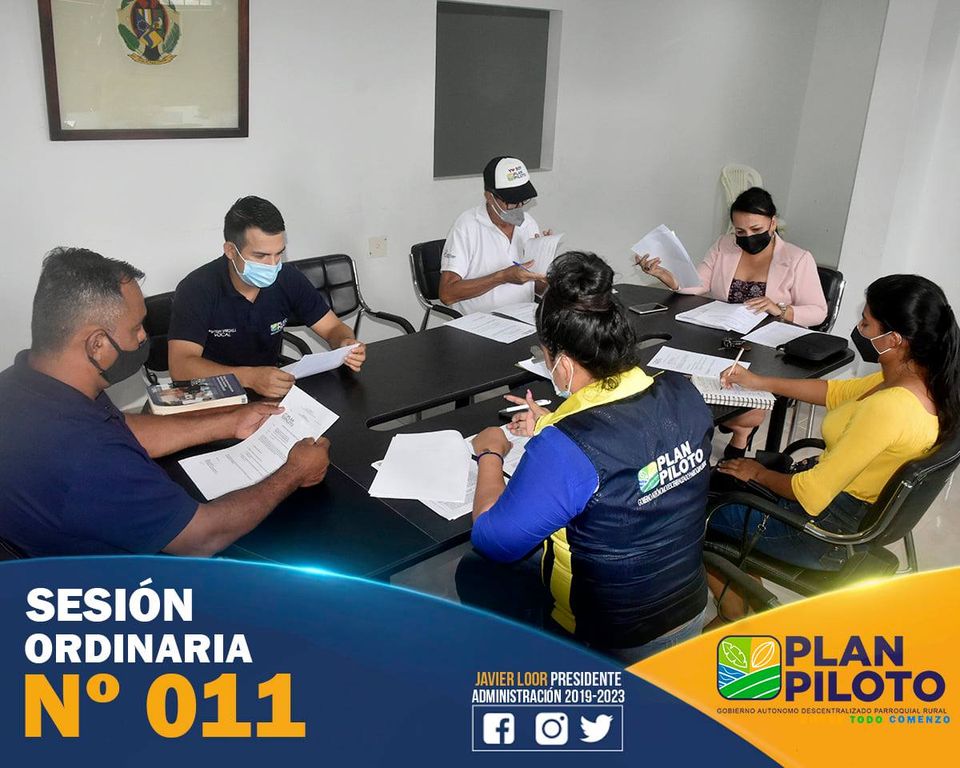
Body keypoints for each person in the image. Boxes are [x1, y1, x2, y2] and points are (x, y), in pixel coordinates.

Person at [457, 252, 715, 662]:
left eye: (544, 354)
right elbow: (632, 437)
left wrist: (490, 451)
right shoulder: (685, 394)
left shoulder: (564, 447)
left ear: (560, 361)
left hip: (614, 637)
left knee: (474, 568)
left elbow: (493, 540)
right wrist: (554, 421)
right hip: (689, 603)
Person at [0, 247, 331, 558]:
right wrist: (295, 471)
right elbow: (201, 538)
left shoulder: (27, 383)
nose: (144, 337)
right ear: (97, 344)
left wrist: (229, 422)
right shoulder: (87, 455)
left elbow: (123, 429)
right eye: (136, 328)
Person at [707, 274, 959, 620]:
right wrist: (758, 381)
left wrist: (758, 473)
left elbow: (810, 493)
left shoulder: (891, 407)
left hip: (820, 534)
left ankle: (738, 616)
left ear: (894, 339)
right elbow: (833, 392)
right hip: (844, 514)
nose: (859, 329)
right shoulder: (920, 380)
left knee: (696, 512)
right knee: (724, 483)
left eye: (866, 323)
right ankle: (748, 596)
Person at [637, 187, 828, 458]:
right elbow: (699, 284)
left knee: (749, 409)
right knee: (684, 385)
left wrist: (781, 309)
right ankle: (724, 434)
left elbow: (818, 312)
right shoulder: (724, 246)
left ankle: (740, 434)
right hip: (720, 337)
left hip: (765, 346)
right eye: (740, 231)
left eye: (756, 229)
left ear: (773, 223)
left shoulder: (797, 259)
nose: (748, 237)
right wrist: (665, 276)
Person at [168, 196, 366, 398]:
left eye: (278, 254)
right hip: (214, 393)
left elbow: (332, 328)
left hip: (270, 389)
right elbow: (181, 366)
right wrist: (249, 377)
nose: (272, 265)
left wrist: (345, 342)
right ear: (230, 251)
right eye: (260, 256)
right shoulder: (197, 289)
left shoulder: (287, 278)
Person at [439, 156, 551, 315]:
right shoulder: (467, 226)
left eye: (523, 200)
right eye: (511, 201)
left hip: (523, 318)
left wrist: (544, 261)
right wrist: (502, 277)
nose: (518, 207)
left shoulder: (528, 224)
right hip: (478, 322)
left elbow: (539, 289)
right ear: (489, 197)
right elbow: (447, 294)